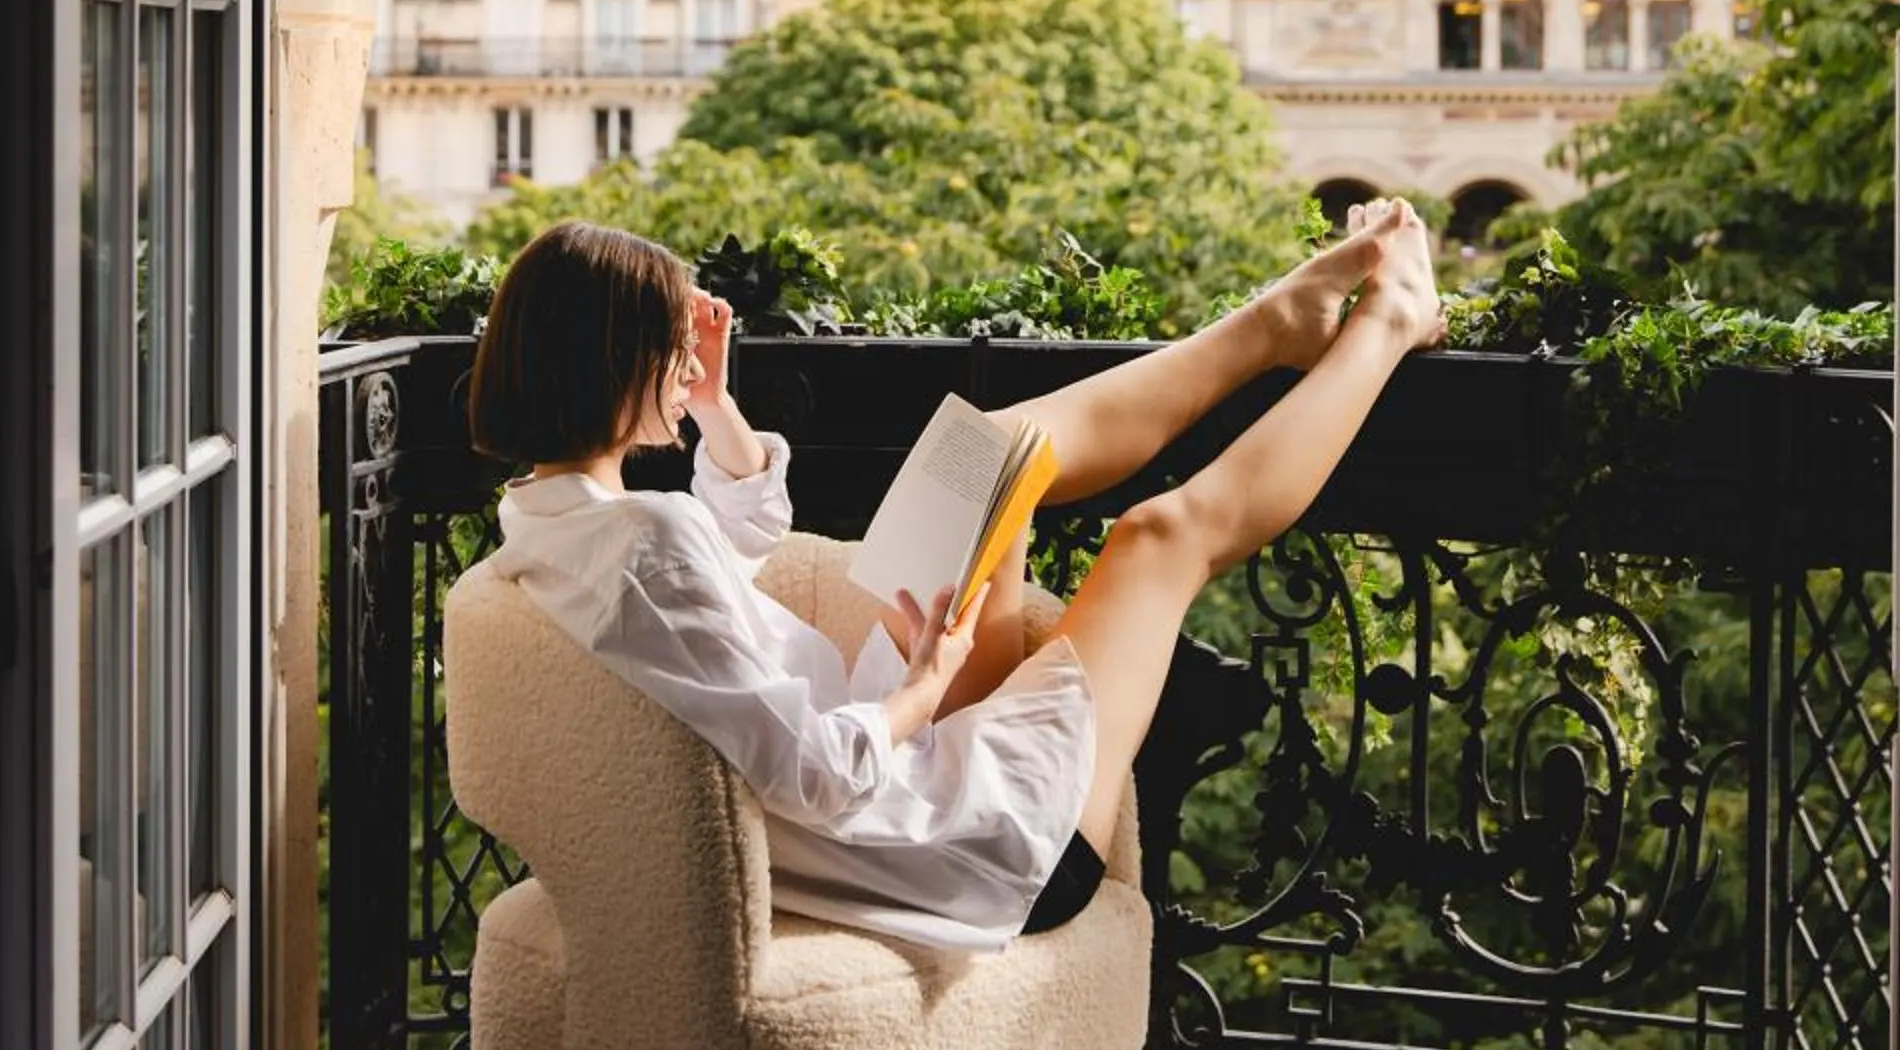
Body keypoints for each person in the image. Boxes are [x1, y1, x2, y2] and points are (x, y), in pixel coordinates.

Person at [470, 202, 1446, 952]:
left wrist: (715, 406)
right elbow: (808, 772)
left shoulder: (554, 524)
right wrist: (927, 682)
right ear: (614, 362)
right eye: (673, 351)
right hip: (973, 849)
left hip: (908, 779)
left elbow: (739, 534)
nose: (686, 363)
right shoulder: (641, 543)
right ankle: (1389, 321)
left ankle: (1277, 321)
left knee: (992, 454)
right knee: (1158, 537)